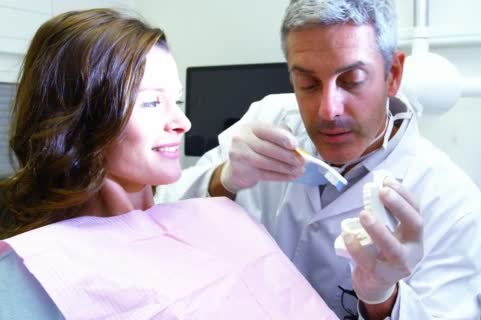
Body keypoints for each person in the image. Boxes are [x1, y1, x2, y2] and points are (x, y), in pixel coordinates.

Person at [156, 0, 481, 319]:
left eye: (351, 81)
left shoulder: (450, 199)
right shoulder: (268, 118)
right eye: (308, 83)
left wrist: (382, 299)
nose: (328, 110)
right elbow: (156, 214)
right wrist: (223, 180)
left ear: (393, 75)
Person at [0, 9, 337, 319]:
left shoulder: (219, 220)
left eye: (175, 100)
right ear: (81, 116)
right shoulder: (35, 268)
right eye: (151, 102)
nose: (183, 122)